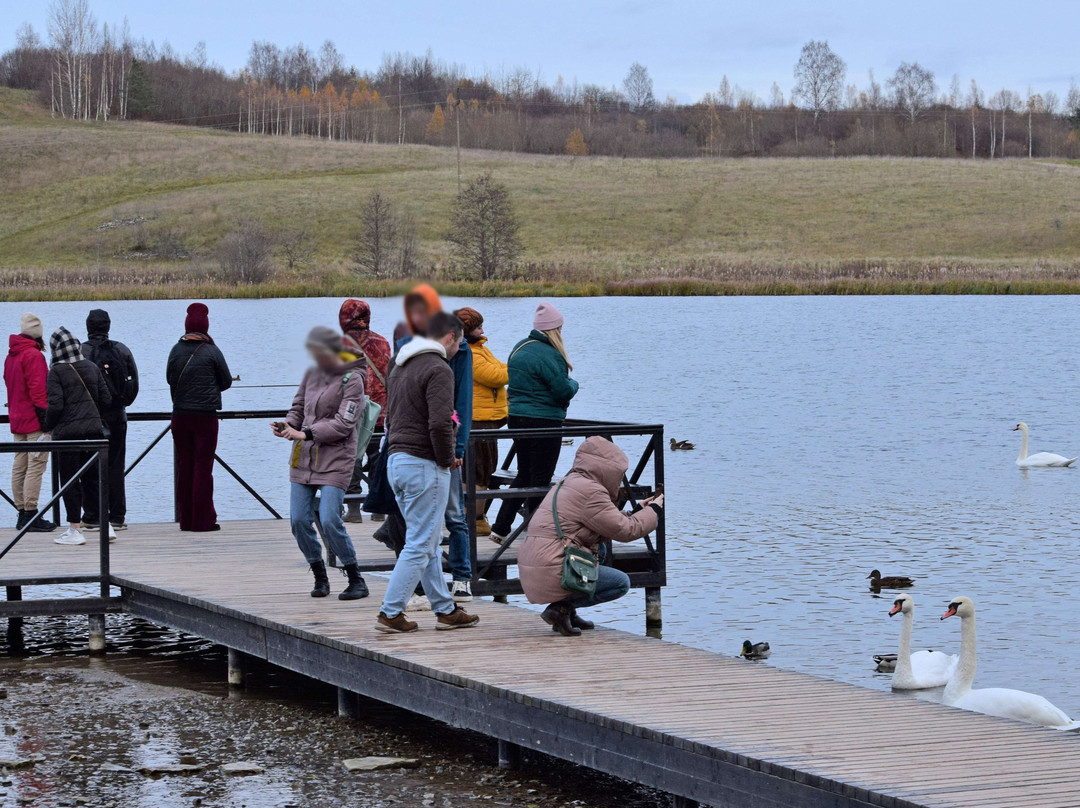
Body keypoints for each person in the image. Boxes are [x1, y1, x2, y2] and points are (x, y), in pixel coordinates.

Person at [375, 312, 479, 634]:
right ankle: (390, 612)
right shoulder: (439, 368)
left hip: (396, 461)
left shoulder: (399, 364)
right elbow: (439, 422)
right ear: (450, 337)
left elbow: (390, 418)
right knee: (420, 543)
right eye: (460, 342)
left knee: (428, 540)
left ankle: (445, 608)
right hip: (424, 465)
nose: (458, 348)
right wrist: (448, 458)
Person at [518, 436, 664, 636]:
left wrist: (638, 510)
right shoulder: (591, 492)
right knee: (620, 583)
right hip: (552, 569)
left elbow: (603, 522)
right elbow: (627, 531)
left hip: (536, 566)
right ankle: (561, 609)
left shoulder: (569, 482)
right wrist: (654, 510)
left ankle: (567, 612)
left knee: (599, 548)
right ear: (607, 469)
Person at [391, 285, 474, 603]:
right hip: (416, 448)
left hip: (440, 444)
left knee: (453, 513)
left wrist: (458, 448)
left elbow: (461, 402)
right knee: (420, 529)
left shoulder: (458, 349)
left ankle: (461, 577)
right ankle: (399, 604)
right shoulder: (405, 348)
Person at [273, 327, 369, 600]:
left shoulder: (353, 380)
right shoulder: (312, 373)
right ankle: (319, 575)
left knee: (329, 519)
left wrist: (306, 433)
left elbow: (344, 423)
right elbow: (298, 407)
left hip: (337, 457)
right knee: (299, 521)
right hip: (303, 457)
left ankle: (355, 578)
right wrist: (287, 424)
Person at [490, 302, 579, 544]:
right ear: (554, 329)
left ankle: (500, 527)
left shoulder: (520, 347)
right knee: (540, 478)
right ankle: (538, 534)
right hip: (544, 421)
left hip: (517, 418)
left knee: (524, 474)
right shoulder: (550, 354)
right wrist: (575, 384)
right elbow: (562, 391)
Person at [166, 303, 232, 533]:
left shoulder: (176, 349)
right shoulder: (212, 350)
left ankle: (186, 521)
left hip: (180, 416)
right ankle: (202, 522)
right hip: (205, 417)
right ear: (206, 324)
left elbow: (169, 379)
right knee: (203, 468)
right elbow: (226, 381)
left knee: (185, 467)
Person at [44, 327, 112, 546]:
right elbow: (106, 399)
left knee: (70, 481)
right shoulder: (91, 367)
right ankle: (105, 523)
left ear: (56, 349)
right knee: (93, 478)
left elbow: (55, 406)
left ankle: (74, 529)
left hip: (68, 435)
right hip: (93, 431)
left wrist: (47, 426)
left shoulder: (56, 371)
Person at [82, 309, 139, 532]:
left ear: (88, 327)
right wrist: (122, 404)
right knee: (116, 466)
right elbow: (133, 385)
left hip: (90, 417)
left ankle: (93, 516)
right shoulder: (121, 350)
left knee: (87, 467)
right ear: (108, 326)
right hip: (117, 417)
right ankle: (117, 516)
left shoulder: (81, 351)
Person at [454, 307, 507, 537]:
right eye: (478, 326)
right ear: (467, 330)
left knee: (483, 470)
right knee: (478, 472)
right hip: (479, 421)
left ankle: (474, 518)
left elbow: (499, 368)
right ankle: (473, 520)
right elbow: (497, 375)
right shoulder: (471, 354)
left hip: (487, 420)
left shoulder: (480, 349)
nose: (482, 330)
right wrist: (518, 367)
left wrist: (506, 367)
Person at [338, 299, 391, 523]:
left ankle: (353, 510)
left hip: (350, 411)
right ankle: (379, 508)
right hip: (381, 410)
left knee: (351, 457)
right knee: (378, 458)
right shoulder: (382, 342)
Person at [4, 313, 56, 533]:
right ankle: (31, 513)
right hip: (34, 420)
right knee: (36, 466)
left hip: (17, 419)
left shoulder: (11, 355)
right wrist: (47, 421)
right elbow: (38, 391)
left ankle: (21, 512)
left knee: (20, 465)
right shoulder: (33, 356)